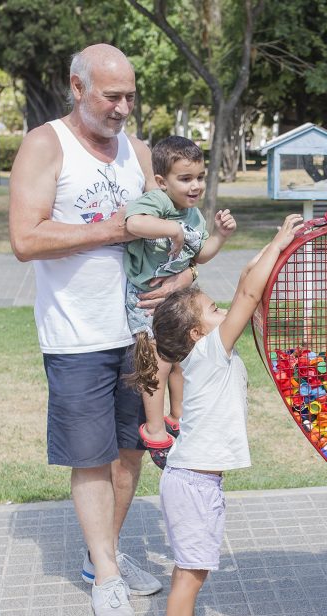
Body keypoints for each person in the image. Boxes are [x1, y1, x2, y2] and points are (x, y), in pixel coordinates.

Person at [9, 44, 193, 616]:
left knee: (131, 450)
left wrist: (179, 279)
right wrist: (113, 230)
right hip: (76, 334)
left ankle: (101, 557)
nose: (122, 108)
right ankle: (109, 577)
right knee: (90, 457)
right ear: (77, 87)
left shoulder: (137, 152)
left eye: (130, 97)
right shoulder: (47, 145)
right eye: (112, 96)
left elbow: (177, 229)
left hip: (138, 335)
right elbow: (26, 239)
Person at [142, 213, 305, 616]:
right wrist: (280, 240)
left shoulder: (205, 352)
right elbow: (249, 294)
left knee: (195, 568)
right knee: (190, 572)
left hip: (199, 481)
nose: (224, 312)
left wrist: (272, 246)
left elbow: (245, 280)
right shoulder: (211, 351)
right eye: (214, 310)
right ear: (197, 332)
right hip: (192, 482)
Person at [122, 136, 237, 467]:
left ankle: (177, 415)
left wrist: (220, 236)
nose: (195, 185)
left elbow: (200, 255)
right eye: (185, 179)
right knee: (155, 361)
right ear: (162, 181)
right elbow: (133, 222)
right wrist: (173, 229)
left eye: (199, 177)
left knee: (181, 357)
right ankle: (154, 429)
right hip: (146, 299)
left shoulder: (194, 215)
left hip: (177, 299)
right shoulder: (158, 201)